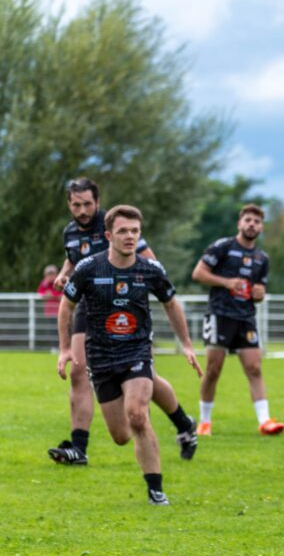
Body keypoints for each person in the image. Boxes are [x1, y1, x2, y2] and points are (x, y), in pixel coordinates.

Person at [56, 205, 203, 504]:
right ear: (109, 235)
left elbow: (171, 304)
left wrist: (187, 344)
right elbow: (66, 306)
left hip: (137, 350)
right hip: (101, 357)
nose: (130, 236)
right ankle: (183, 422)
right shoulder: (88, 268)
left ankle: (156, 491)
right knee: (121, 436)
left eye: (135, 231)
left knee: (137, 414)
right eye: (123, 231)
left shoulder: (151, 270)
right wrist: (65, 349)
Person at [191, 204, 284, 437]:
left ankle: (265, 421)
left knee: (255, 368)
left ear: (261, 227)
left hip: (245, 318)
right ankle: (205, 422)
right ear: (239, 223)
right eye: (248, 220)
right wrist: (226, 282)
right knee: (213, 369)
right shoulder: (222, 247)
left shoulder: (262, 258)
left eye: (257, 221)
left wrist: (259, 294)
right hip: (220, 314)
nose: (252, 224)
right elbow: (198, 273)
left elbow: (259, 289)